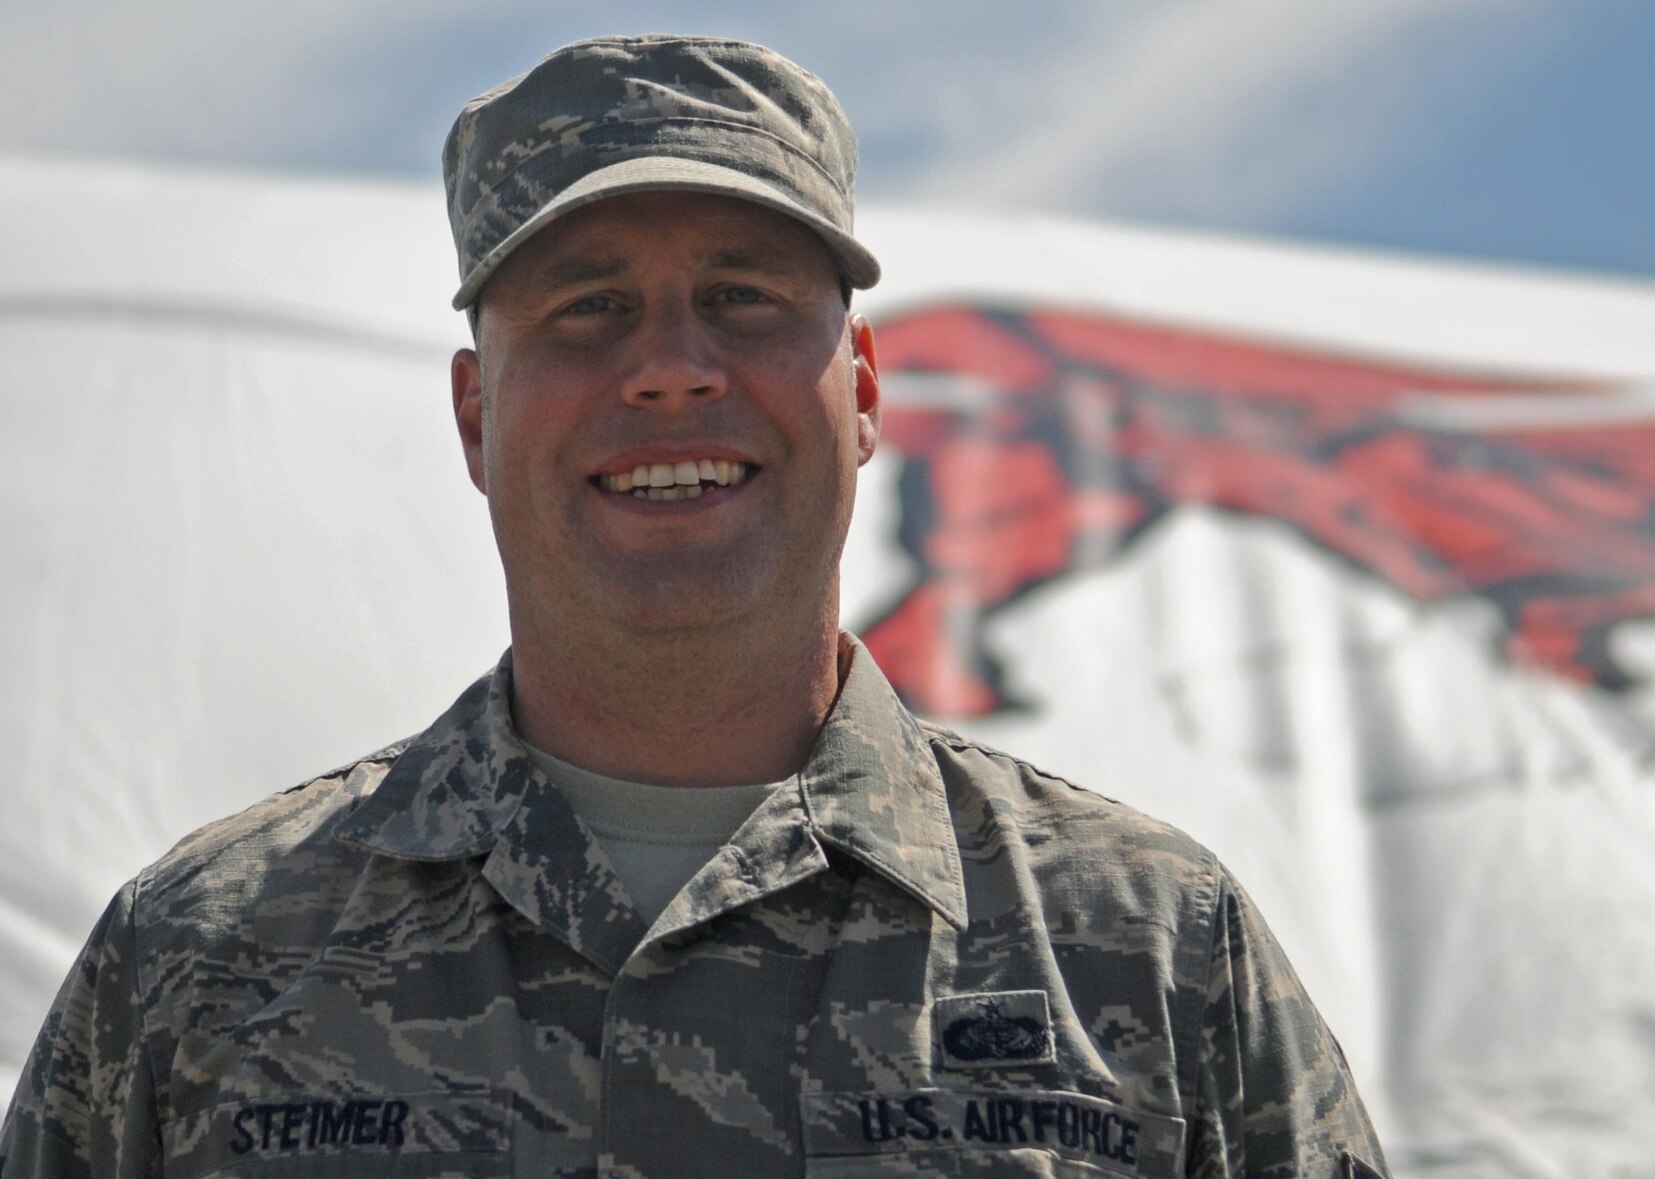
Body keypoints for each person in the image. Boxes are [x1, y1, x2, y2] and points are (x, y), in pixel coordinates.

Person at [0, 34, 1390, 1179]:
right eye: (587, 311)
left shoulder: (1151, 952)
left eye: (742, 298)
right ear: (477, 418)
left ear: (861, 395)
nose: (670, 369)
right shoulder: (203, 963)